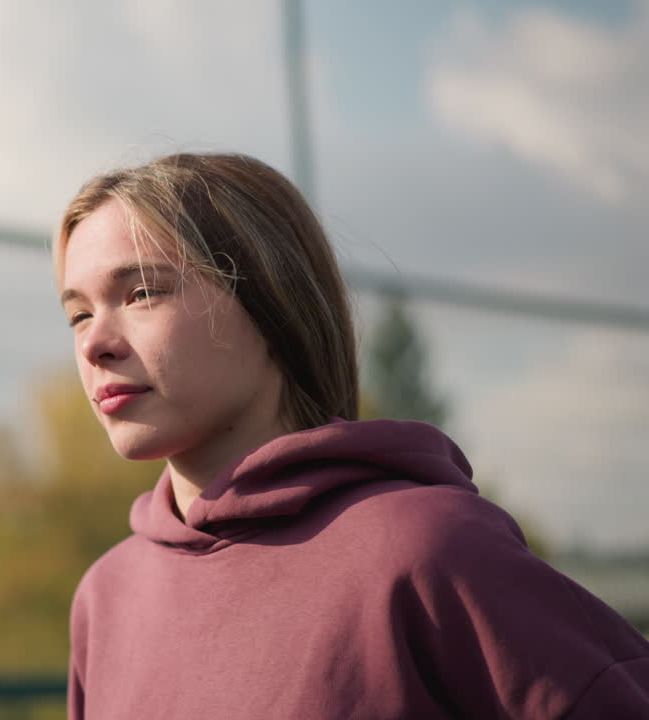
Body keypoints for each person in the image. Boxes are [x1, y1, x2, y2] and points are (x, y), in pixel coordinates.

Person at [54, 152, 649, 719]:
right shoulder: (104, 597)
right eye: (79, 313)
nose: (93, 343)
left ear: (270, 306)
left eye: (142, 292)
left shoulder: (430, 549)